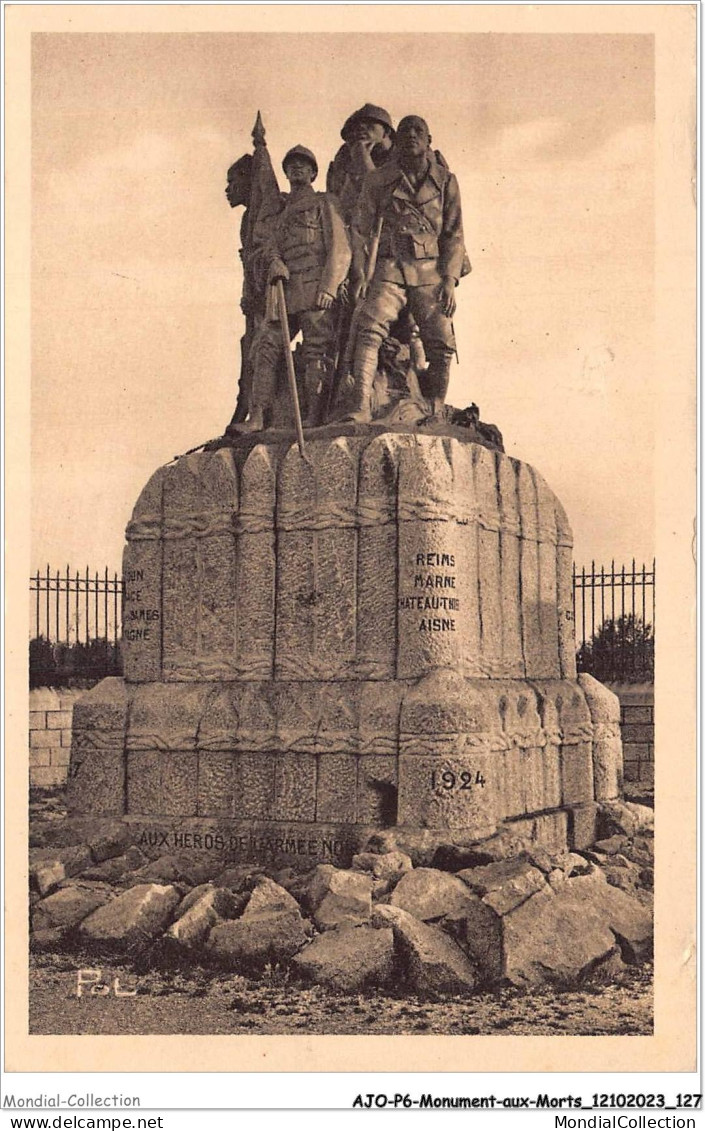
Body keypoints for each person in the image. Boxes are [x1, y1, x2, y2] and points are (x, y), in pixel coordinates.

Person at [344, 115, 468, 424]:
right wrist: (360, 274)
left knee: (441, 342)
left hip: (431, 271)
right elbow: (361, 230)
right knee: (370, 328)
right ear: (396, 141)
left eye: (418, 131)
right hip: (391, 265)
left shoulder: (446, 181)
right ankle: (359, 406)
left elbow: (454, 234)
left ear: (429, 140)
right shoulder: (378, 180)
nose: (411, 136)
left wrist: (450, 280)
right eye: (405, 131)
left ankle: (435, 409)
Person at [236, 145, 351, 432]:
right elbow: (269, 246)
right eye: (291, 166)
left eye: (304, 165)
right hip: (285, 292)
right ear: (285, 173)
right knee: (265, 346)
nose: (297, 169)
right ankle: (258, 416)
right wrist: (274, 262)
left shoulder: (326, 203)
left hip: (316, 290)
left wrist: (330, 287)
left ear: (313, 173)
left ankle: (315, 416)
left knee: (316, 351)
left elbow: (340, 248)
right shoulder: (281, 211)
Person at [326, 104, 395, 225]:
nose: (359, 130)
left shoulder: (406, 156)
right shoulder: (345, 158)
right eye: (354, 129)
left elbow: (390, 205)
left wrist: (365, 163)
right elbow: (339, 208)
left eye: (369, 125)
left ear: (386, 132)